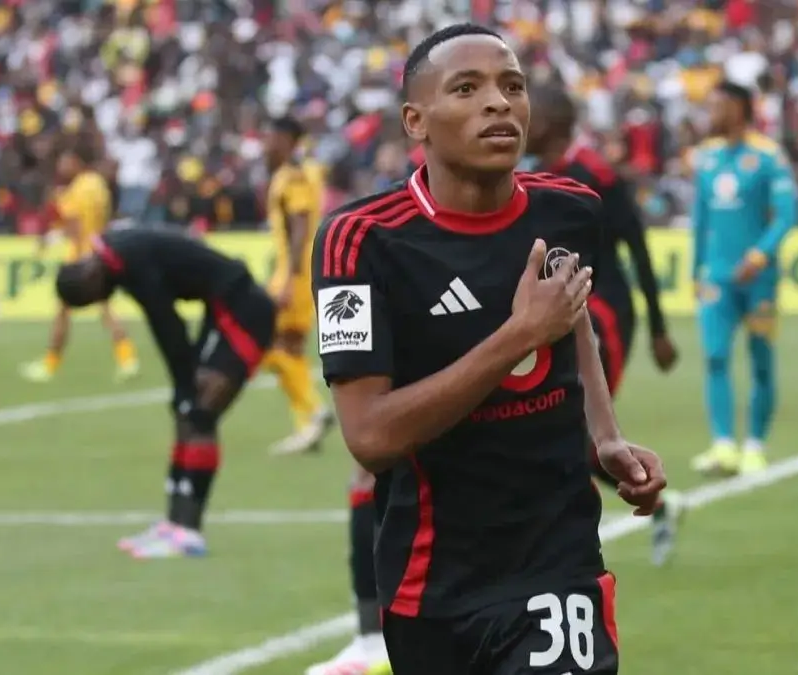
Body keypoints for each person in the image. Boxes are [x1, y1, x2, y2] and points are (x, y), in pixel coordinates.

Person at [313, 23, 666, 675]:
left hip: (557, 564)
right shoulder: (361, 242)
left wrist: (606, 436)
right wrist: (517, 336)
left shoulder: (571, 211)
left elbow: (574, 321)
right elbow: (370, 436)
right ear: (416, 121)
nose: (498, 102)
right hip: (431, 584)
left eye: (512, 86)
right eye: (467, 89)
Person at [525, 83, 682, 567]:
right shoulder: (528, 175)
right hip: (558, 314)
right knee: (567, 434)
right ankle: (656, 500)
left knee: (573, 424)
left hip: (603, 313)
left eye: (529, 114)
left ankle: (563, 542)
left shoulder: (595, 175)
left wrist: (658, 328)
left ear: (551, 123)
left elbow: (636, 246)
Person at [55, 228, 276, 558]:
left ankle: (189, 532)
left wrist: (183, 384)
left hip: (244, 310)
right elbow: (166, 325)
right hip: (220, 309)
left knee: (200, 413)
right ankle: (174, 524)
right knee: (187, 413)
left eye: (94, 296)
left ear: (91, 277)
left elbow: (167, 324)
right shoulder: (117, 257)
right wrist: (181, 386)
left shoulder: (129, 259)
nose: (102, 299)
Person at [689, 80, 798, 477]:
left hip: (759, 280)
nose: (711, 113)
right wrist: (695, 270)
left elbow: (787, 215)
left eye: (718, 105)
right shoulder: (706, 157)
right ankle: (723, 445)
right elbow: (700, 220)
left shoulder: (768, 156)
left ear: (739, 108)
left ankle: (754, 446)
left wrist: (759, 255)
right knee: (715, 356)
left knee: (761, 359)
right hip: (716, 280)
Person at [21, 146, 140, 383]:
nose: (61, 167)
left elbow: (73, 226)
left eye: (65, 161)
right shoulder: (98, 184)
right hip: (101, 252)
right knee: (106, 310)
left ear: (76, 161)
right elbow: (105, 218)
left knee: (63, 311)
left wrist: (54, 240)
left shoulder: (76, 190)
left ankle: (50, 364)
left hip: (81, 257)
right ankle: (127, 359)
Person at [260, 116, 336, 455]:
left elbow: (300, 226)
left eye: (271, 137)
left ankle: (313, 410)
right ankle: (307, 425)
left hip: (296, 275)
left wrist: (289, 278)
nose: (266, 143)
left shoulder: (292, 177)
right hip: (299, 272)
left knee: (265, 344)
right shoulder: (300, 172)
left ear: (286, 139)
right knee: (289, 348)